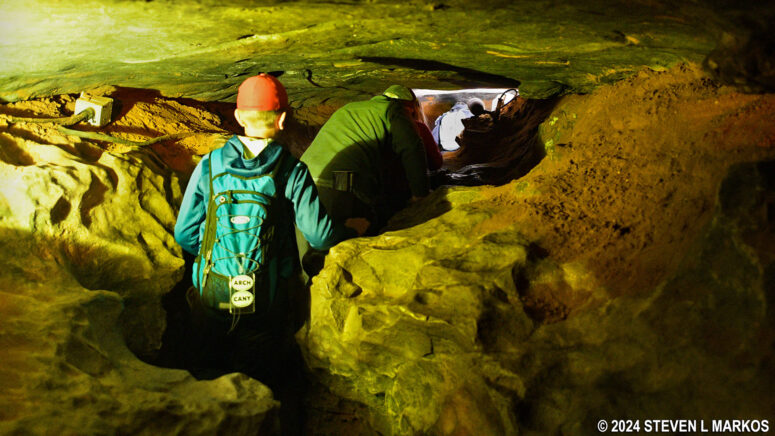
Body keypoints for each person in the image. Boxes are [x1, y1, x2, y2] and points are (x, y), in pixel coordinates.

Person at [173, 73, 368, 433]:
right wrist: (350, 231)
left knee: (204, 382)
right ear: (281, 119)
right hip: (267, 299)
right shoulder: (291, 170)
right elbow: (320, 234)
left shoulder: (209, 167)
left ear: (237, 116)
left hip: (210, 294)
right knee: (265, 387)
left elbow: (184, 234)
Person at [300, 84, 431, 234]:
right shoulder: (393, 109)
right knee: (351, 229)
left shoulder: (351, 107)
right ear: (408, 105)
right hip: (339, 179)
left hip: (305, 175)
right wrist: (421, 194)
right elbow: (411, 148)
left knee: (310, 240)